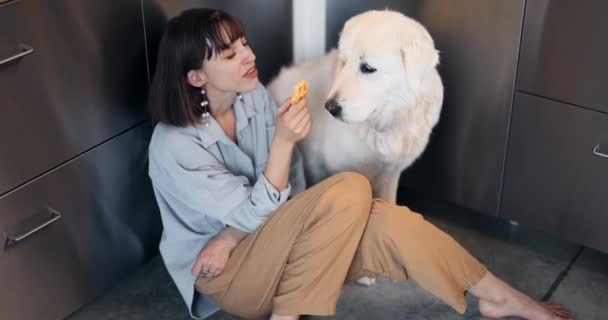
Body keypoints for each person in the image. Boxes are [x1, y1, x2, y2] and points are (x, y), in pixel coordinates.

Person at [147, 8, 574, 320]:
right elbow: (252, 209)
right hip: (232, 277)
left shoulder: (253, 99)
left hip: (281, 251)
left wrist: (233, 232)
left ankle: (500, 295)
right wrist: (280, 147)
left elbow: (289, 189)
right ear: (196, 77)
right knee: (353, 187)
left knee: (384, 220)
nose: (247, 55)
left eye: (243, 42)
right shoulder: (174, 147)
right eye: (227, 54)